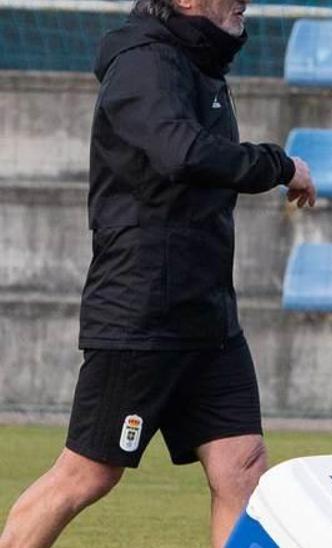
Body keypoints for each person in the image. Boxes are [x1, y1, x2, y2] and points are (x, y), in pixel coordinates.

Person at [0, 0, 315, 546]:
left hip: (208, 317)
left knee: (242, 467)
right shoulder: (144, 63)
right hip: (141, 312)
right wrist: (277, 164)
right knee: (87, 473)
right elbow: (181, 152)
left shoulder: (199, 62)